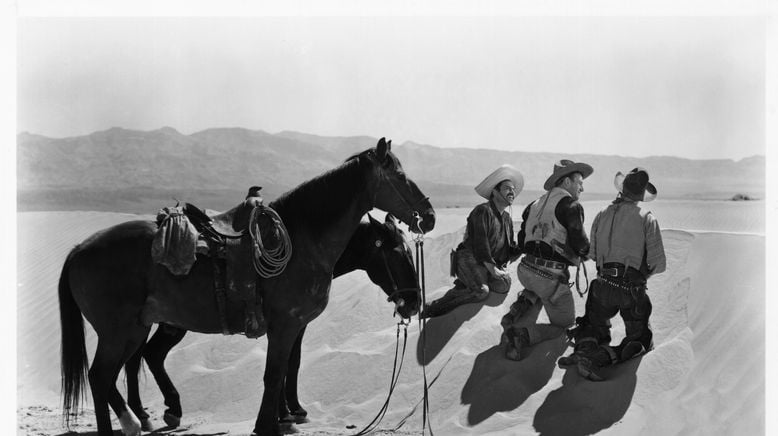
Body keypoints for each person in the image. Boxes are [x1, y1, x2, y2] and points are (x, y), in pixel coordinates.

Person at [559, 167, 666, 381]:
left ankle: (582, 351)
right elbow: (658, 264)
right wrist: (638, 275)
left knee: (594, 326)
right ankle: (597, 359)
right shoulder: (647, 218)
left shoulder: (602, 214)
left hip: (602, 285)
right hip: (630, 289)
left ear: (622, 188)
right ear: (641, 194)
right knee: (641, 341)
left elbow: (593, 254)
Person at [501, 159, 593, 361]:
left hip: (525, 271)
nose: (582, 187)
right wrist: (592, 253)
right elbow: (582, 246)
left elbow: (523, 241)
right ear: (567, 182)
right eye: (579, 182)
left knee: (537, 287)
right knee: (564, 326)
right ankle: (522, 335)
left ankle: (519, 308)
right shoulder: (571, 205)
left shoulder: (533, 204)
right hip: (549, 278)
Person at [421, 165, 524, 318]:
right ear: (495, 192)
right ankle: (434, 309)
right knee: (481, 292)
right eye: (507, 188)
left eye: (513, 189)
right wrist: (492, 269)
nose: (512, 192)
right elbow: (480, 244)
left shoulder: (507, 219)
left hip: (490, 264)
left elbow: (509, 249)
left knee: (503, 286)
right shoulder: (482, 211)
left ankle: (464, 286)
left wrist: (526, 243)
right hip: (470, 259)